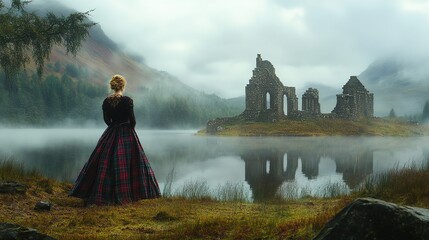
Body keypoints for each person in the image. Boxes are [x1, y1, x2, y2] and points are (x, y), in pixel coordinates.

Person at [70, 74, 161, 205]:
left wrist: (114, 127)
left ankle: (100, 193)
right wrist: (130, 129)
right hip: (126, 132)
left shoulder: (106, 102)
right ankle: (132, 193)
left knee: (104, 162)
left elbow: (107, 120)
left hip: (111, 132)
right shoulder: (127, 101)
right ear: (123, 86)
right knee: (130, 163)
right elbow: (133, 120)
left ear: (112, 86)